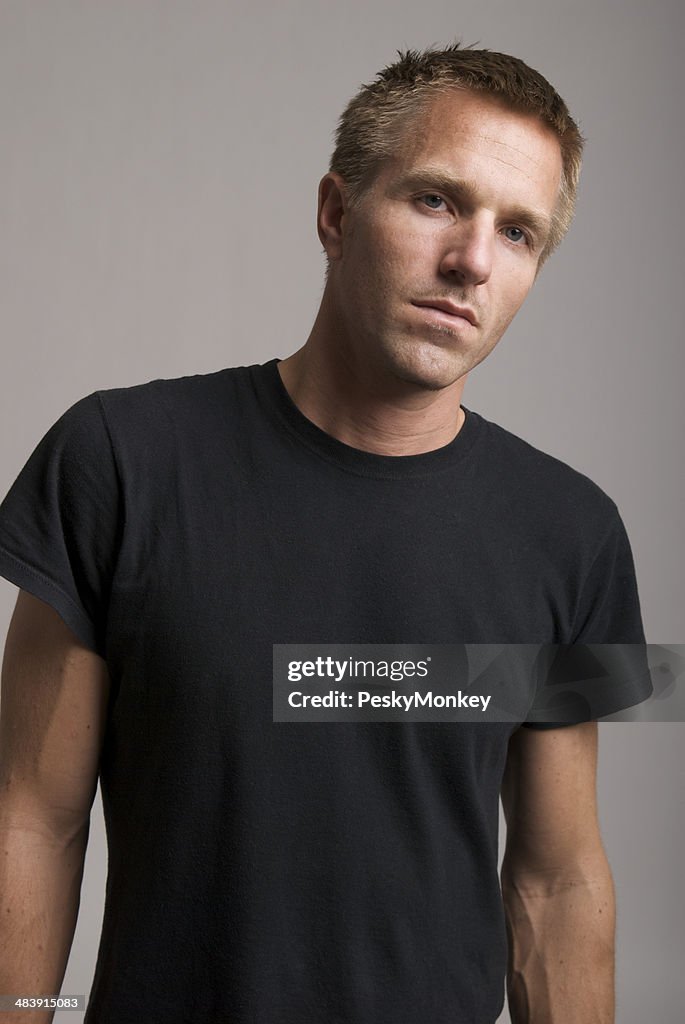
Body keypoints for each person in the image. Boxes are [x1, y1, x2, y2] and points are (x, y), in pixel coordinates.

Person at [0, 43, 651, 1024]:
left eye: (517, 232)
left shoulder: (570, 533)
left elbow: (555, 885)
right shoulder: (122, 461)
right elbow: (33, 819)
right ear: (336, 214)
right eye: (437, 200)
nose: (471, 259)